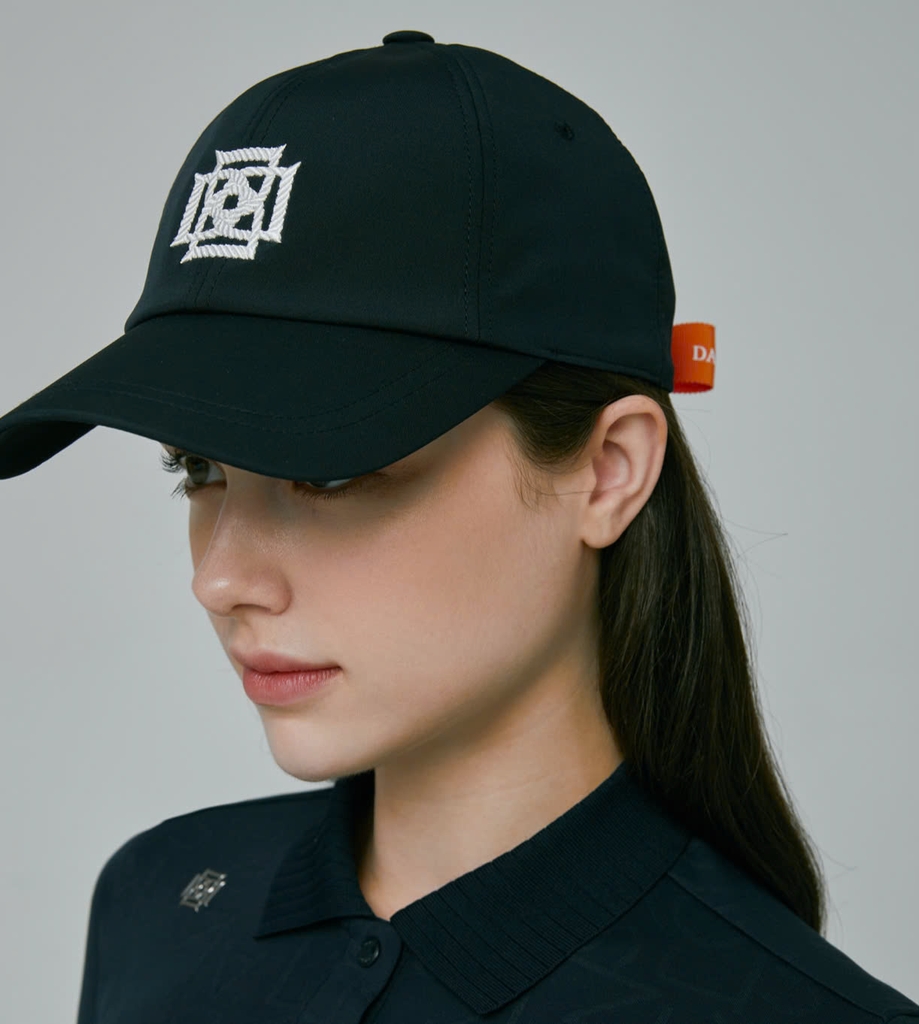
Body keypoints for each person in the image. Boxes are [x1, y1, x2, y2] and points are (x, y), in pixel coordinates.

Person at [0, 29, 915, 1024]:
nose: (219, 579)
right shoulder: (160, 901)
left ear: (608, 472)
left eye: (330, 472)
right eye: (199, 469)